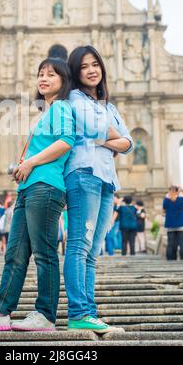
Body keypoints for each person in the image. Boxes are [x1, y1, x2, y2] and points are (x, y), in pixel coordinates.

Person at [0, 57, 75, 332]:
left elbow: (66, 142)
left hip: (46, 187)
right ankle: (0, 311)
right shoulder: (46, 112)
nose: (44, 78)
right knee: (15, 253)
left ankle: (45, 314)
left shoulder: (60, 107)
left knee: (44, 253)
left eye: (51, 74)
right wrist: (24, 166)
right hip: (28, 188)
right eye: (41, 74)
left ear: (64, 81)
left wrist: (31, 163)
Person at [64, 45, 134, 333]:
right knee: (79, 245)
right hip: (83, 174)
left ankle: (89, 312)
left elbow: (129, 143)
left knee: (93, 251)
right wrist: (109, 137)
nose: (92, 70)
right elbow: (98, 131)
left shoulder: (110, 106)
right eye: (84, 66)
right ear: (75, 72)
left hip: (107, 179)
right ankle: (78, 311)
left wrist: (105, 137)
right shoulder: (73, 98)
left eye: (95, 64)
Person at [163, 186, 183, 260]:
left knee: (170, 244)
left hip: (170, 224)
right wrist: (182, 190)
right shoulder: (181, 200)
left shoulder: (166, 201)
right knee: (182, 244)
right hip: (181, 224)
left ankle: (170, 260)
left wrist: (171, 193)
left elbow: (164, 211)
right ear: (177, 191)